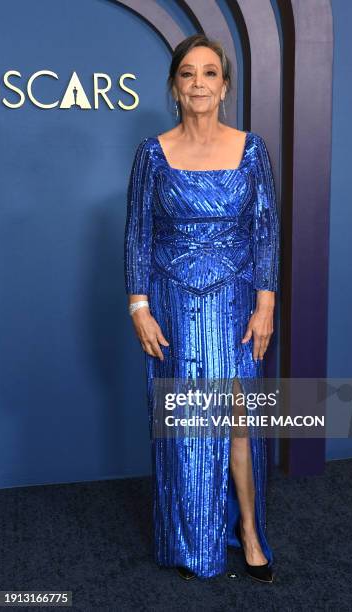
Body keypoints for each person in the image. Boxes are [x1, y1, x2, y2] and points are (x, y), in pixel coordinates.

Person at [124, 34, 280, 582]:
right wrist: (138, 306)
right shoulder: (152, 153)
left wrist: (266, 303)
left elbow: (265, 230)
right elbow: (139, 235)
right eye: (188, 74)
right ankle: (190, 535)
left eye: (209, 73)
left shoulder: (252, 149)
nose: (198, 84)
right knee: (187, 422)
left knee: (237, 421)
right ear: (174, 85)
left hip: (236, 303)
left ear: (224, 85)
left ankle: (249, 529)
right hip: (172, 304)